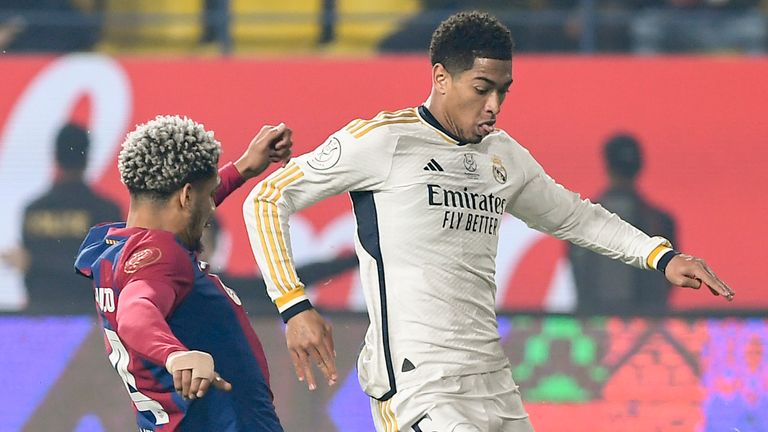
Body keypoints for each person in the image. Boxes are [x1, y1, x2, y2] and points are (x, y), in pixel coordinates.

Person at [243, 11, 735, 431]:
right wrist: (294, 306)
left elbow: (575, 217)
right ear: (441, 78)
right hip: (417, 384)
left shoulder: (503, 157)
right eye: (481, 89)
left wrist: (659, 255)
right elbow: (266, 200)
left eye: (503, 90)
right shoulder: (383, 141)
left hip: (492, 380)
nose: (494, 106)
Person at [74, 115, 291, 431]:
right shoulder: (161, 258)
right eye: (208, 196)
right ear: (187, 196)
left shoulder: (115, 247)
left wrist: (243, 167)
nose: (211, 211)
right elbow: (135, 313)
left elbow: (184, 209)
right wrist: (175, 355)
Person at [13, 122, 122, 314]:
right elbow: (109, 274)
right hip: (91, 325)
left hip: (40, 321)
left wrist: (35, 262)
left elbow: (29, 275)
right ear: (87, 157)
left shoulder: (33, 211)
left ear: (55, 156)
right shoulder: (107, 212)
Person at [569, 133, 677, 314]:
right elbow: (669, 281)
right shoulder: (661, 222)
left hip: (593, 329)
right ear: (640, 167)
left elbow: (579, 278)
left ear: (607, 165)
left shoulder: (579, 220)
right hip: (646, 330)